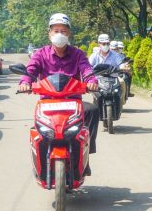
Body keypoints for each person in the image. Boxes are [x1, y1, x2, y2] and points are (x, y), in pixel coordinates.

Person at [19, 13, 99, 176]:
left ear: (69, 33)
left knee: (92, 110)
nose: (59, 34)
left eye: (63, 31)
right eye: (56, 31)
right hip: (48, 103)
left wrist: (91, 80)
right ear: (49, 33)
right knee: (38, 132)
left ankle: (86, 154)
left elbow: (86, 69)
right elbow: (31, 69)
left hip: (72, 102)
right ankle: (40, 164)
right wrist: (25, 82)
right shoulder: (40, 54)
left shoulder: (78, 54)